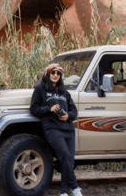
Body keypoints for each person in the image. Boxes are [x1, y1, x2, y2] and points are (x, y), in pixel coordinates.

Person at [30, 64, 83, 196]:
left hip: (68, 130)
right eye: (52, 72)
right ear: (47, 74)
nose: (55, 75)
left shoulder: (64, 92)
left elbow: (74, 111)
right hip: (52, 129)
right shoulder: (40, 89)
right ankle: (75, 188)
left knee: (69, 161)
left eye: (58, 73)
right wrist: (49, 109)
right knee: (64, 155)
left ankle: (64, 192)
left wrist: (68, 115)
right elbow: (34, 109)